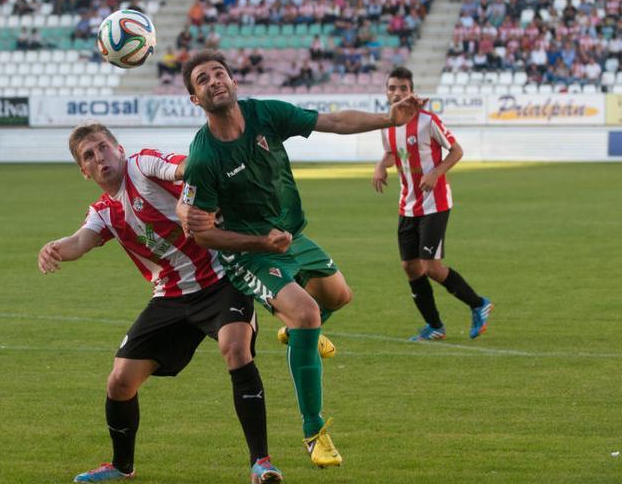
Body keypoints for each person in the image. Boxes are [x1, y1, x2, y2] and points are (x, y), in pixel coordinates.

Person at [177, 50, 424, 468]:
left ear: (234, 82)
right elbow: (202, 234)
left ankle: (298, 338)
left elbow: (333, 122)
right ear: (195, 99)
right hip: (248, 255)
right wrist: (259, 244)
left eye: (220, 73)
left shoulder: (266, 114)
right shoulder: (204, 157)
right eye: (203, 79)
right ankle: (314, 431)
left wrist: (389, 119)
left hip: (292, 235)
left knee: (340, 296)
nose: (214, 80)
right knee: (307, 313)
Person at [38, 123, 285, 484]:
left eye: (103, 148)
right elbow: (79, 241)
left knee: (235, 347)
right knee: (119, 382)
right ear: (84, 171)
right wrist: (54, 248)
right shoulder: (104, 211)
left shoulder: (142, 165)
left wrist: (206, 163)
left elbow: (184, 167)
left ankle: (261, 462)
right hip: (169, 297)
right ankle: (122, 466)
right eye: (89, 156)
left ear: (118, 148)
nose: (100, 158)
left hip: (220, 281)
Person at [372, 67, 493, 341]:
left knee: (429, 266)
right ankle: (435, 326)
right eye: (392, 88)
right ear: (386, 92)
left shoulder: (427, 121)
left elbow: (457, 150)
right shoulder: (387, 126)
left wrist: (436, 172)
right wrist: (380, 165)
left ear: (411, 92)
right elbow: (393, 153)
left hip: (434, 203)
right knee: (410, 267)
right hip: (408, 204)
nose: (397, 93)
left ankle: (478, 304)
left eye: (403, 88)